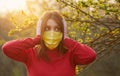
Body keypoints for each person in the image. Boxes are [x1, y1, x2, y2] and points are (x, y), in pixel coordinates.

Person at [2, 10, 96, 76]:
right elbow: (7, 48)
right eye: (47, 28)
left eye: (57, 28)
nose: (52, 32)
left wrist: (66, 39)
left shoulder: (71, 54)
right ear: (40, 30)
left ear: (62, 31)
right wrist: (37, 39)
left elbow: (90, 56)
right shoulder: (31, 53)